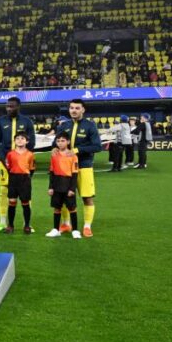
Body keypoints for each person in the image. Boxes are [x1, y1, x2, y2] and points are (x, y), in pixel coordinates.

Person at [53, 99, 101, 238]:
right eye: (71, 108)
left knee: (87, 197)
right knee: (63, 196)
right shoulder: (64, 125)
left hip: (84, 166)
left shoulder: (90, 126)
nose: (73, 110)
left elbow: (97, 146)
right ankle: (66, 224)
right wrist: (54, 148)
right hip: (65, 168)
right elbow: (55, 142)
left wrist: (77, 150)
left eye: (77, 108)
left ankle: (87, 226)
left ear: (83, 110)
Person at [0, 97, 37, 232]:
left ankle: (26, 224)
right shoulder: (1, 121)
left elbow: (32, 142)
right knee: (3, 191)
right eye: (7, 106)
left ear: (18, 107)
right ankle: (3, 222)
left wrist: (23, 157)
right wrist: (3, 158)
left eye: (12, 106)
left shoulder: (27, 121)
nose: (9, 109)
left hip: (22, 164)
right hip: (4, 161)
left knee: (25, 194)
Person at [45, 134, 82, 239]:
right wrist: (50, 187)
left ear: (68, 142)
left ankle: (75, 230)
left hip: (68, 184)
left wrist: (72, 188)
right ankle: (56, 230)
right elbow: (52, 172)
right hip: (56, 185)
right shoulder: (54, 155)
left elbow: (75, 174)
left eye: (63, 141)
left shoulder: (73, 156)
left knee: (72, 208)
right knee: (57, 208)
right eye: (58, 141)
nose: (60, 143)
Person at [3, 132, 35, 234]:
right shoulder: (10, 154)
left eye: (22, 138)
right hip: (13, 179)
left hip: (25, 180)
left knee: (25, 203)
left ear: (27, 141)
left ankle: (27, 225)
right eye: (17, 138)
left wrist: (26, 177)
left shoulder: (30, 154)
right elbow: (8, 167)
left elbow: (32, 169)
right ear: (14, 141)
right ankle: (10, 225)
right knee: (12, 202)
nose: (20, 140)